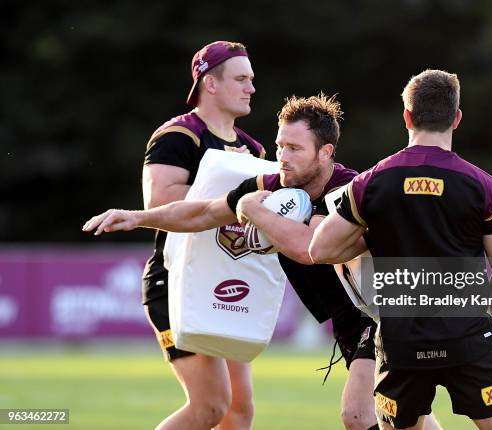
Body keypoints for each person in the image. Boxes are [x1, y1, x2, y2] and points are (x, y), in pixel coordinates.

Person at [83, 94, 441, 430]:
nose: (282, 155)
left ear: (325, 152)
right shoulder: (275, 183)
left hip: (389, 309)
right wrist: (138, 217)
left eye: (295, 148)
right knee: (404, 415)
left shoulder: (343, 190)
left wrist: (254, 210)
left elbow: (308, 248)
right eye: (280, 145)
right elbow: (204, 212)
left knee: (360, 414)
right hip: (355, 317)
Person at [309, 70, 492, 430]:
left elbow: (320, 249)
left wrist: (375, 231)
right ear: (456, 118)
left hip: (401, 346)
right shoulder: (484, 186)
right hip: (469, 340)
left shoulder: (370, 183)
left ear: (407, 117)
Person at [140, 41, 263, 430]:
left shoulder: (252, 147)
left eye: (251, 79)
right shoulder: (180, 135)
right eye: (241, 78)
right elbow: (159, 203)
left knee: (239, 411)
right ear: (210, 83)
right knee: (210, 406)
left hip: (226, 282)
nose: (251, 87)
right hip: (177, 283)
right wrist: (232, 187)